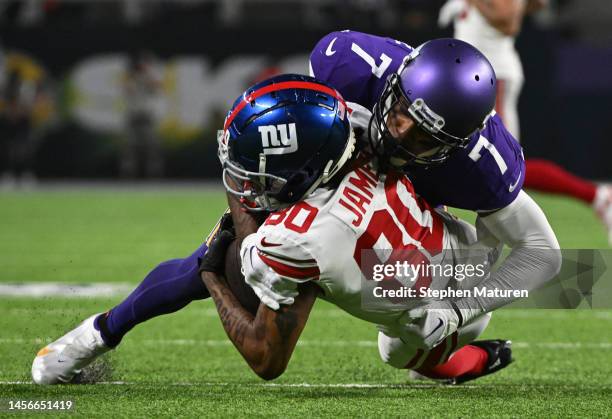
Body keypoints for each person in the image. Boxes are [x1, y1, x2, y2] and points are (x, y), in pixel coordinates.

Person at [438, 0, 612, 244]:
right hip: (479, 74)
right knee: (480, 161)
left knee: (501, 166)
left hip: (490, 76)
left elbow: (507, 21)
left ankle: (597, 196)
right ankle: (597, 196)